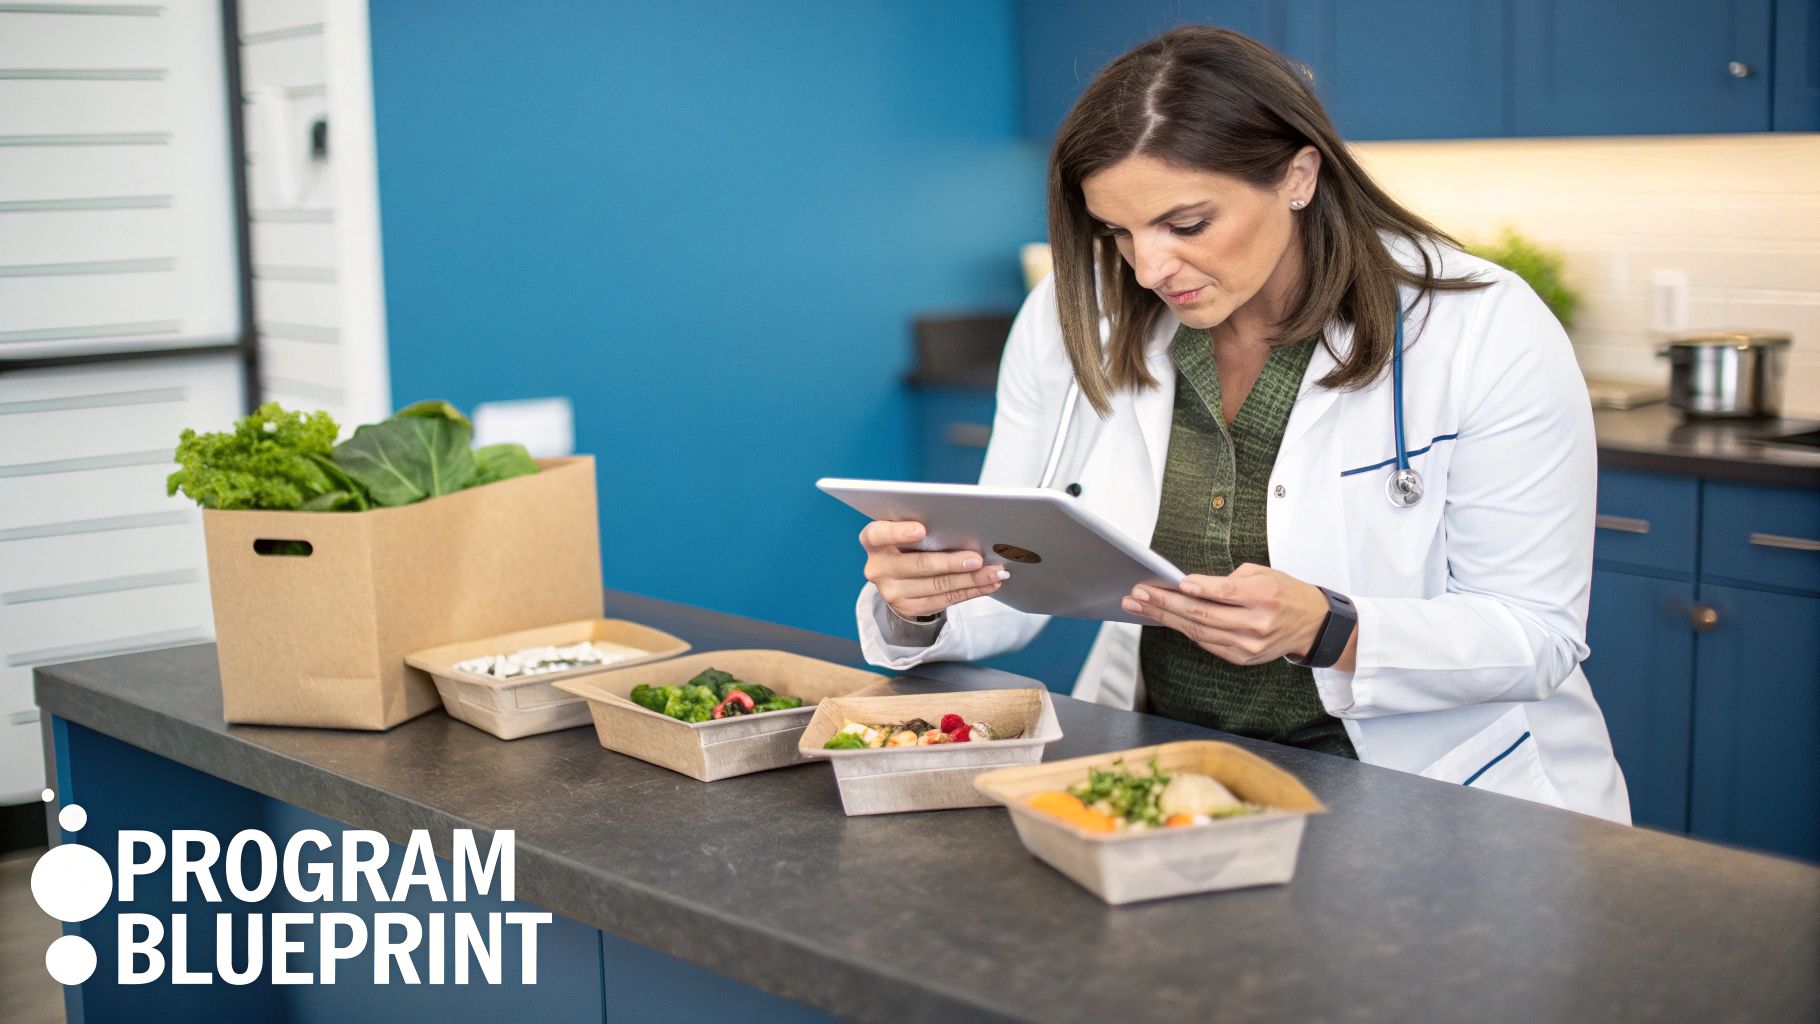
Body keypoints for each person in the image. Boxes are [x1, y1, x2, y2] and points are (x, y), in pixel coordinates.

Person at [851, 26, 1629, 823]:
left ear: (1299, 174)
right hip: (1171, 781)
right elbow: (1009, 570)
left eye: (1186, 226)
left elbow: (1537, 636)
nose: (1149, 269)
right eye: (1118, 232)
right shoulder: (1073, 315)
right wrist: (925, 599)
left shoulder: (1480, 325)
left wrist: (1330, 630)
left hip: (1425, 802)